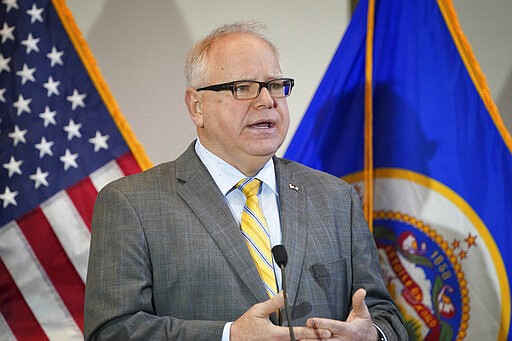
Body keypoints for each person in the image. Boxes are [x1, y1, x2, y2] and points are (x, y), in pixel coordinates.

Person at [84, 22, 407, 340]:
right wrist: (228, 336)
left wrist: (371, 335)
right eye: (243, 87)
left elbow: (384, 315)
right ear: (197, 107)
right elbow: (112, 331)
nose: (267, 101)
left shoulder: (335, 197)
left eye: (276, 85)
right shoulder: (132, 203)